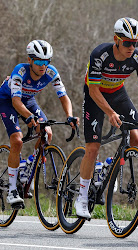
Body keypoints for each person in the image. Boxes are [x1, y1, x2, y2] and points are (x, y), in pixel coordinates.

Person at [76, 17, 138, 219]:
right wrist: (109, 112)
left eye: (136, 43)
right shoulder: (100, 54)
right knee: (93, 147)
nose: (132, 47)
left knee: (136, 137)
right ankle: (82, 197)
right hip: (96, 94)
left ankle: (110, 166)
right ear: (116, 39)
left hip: (118, 93)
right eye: (127, 42)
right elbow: (93, 90)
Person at [0, 40, 78, 205]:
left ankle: (28, 165)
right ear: (30, 60)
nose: (43, 66)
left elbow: (63, 96)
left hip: (28, 100)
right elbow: (15, 101)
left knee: (47, 132)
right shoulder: (20, 71)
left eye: (47, 61)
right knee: (17, 140)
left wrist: (70, 115)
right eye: (39, 61)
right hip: (8, 100)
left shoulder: (51, 72)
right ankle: (12, 190)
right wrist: (28, 117)